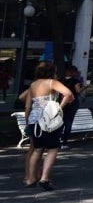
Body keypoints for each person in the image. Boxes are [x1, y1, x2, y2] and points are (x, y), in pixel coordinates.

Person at [24, 61, 75, 191]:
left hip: (34, 120)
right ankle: (44, 178)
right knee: (52, 148)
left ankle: (30, 179)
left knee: (37, 149)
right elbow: (68, 93)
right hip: (49, 118)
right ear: (52, 71)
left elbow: (28, 106)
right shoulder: (52, 82)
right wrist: (59, 108)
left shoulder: (33, 85)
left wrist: (28, 121)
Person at [59, 65, 83, 149]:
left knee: (59, 123)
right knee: (68, 123)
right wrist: (84, 87)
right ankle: (64, 142)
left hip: (61, 103)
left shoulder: (60, 80)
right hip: (72, 103)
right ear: (73, 72)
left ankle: (57, 140)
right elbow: (78, 91)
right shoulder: (75, 81)